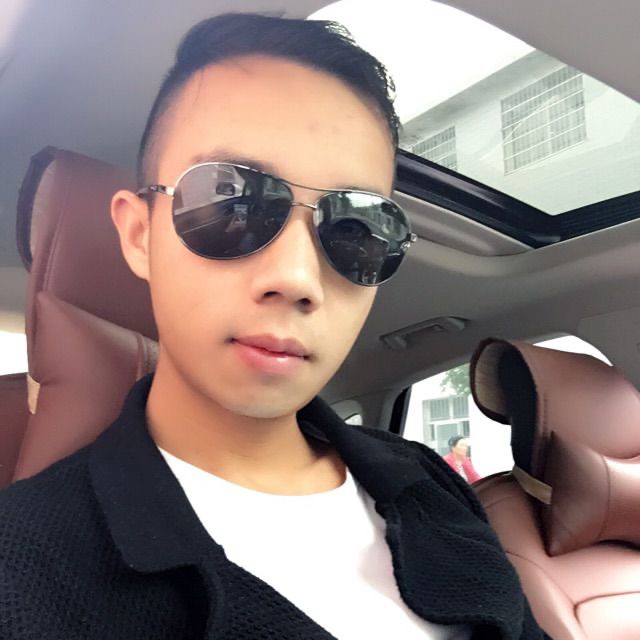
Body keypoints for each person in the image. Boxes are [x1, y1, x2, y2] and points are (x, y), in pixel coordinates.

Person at [0, 13, 547, 640]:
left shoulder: (427, 481)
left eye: (358, 226)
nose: (295, 278)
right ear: (138, 234)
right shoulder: (22, 570)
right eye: (230, 202)